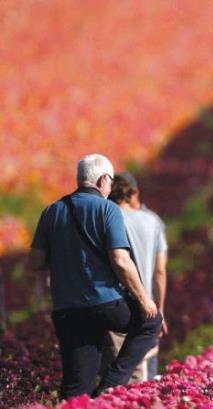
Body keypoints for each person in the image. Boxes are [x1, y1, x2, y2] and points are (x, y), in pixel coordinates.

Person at [27, 154, 162, 399]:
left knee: (76, 388)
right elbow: (120, 260)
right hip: (104, 303)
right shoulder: (107, 209)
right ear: (102, 180)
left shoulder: (52, 211)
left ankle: (85, 400)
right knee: (150, 322)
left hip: (66, 309)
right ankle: (109, 388)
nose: (110, 188)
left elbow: (35, 262)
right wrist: (144, 299)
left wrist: (67, 260)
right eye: (110, 182)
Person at [102, 172, 168, 382]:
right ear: (134, 193)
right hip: (147, 309)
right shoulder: (153, 221)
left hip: (116, 306)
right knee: (141, 377)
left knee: (115, 376)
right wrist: (160, 311)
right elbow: (160, 271)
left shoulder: (107, 218)